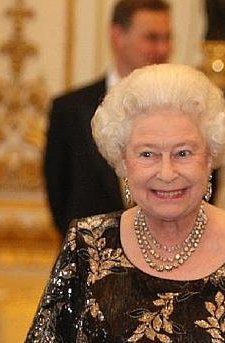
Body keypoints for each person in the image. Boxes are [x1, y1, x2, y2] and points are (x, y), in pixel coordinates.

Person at [17, 64, 225, 343]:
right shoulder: (88, 244)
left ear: (210, 157)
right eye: (147, 154)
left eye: (183, 153)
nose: (167, 173)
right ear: (122, 161)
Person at [44, 0, 172, 236]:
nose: (163, 49)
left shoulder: (183, 111)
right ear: (117, 36)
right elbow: (58, 195)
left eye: (167, 38)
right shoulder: (70, 109)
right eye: (152, 38)